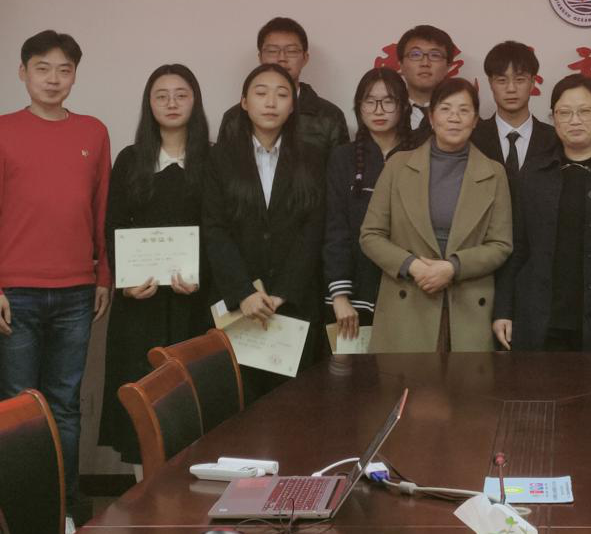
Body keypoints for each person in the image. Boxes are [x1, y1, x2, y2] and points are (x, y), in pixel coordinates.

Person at [0, 30, 111, 523]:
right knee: (15, 409)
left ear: (75, 75)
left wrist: (104, 275)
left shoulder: (93, 132)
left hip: (76, 291)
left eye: (64, 70)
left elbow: (102, 211)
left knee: (65, 406)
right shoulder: (0, 132)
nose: (53, 79)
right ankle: (13, 513)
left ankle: (63, 510)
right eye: (42, 68)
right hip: (14, 294)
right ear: (23, 72)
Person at [99, 64, 210, 467]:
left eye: (181, 94)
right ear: (149, 104)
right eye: (161, 96)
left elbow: (222, 229)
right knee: (141, 402)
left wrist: (201, 276)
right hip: (140, 305)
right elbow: (113, 225)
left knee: (193, 401)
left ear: (195, 101)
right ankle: (144, 495)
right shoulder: (131, 159)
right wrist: (125, 282)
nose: (171, 103)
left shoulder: (214, 159)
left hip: (193, 303)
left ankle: (190, 497)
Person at [493, 75, 591, 352]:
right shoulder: (532, 174)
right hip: (539, 318)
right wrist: (503, 309)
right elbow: (516, 248)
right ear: (554, 118)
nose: (574, 120)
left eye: (584, 111)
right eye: (564, 112)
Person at [360, 78, 513, 352]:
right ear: (431, 118)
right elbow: (371, 235)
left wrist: (453, 268)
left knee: (465, 381)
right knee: (404, 380)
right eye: (445, 109)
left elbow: (501, 245)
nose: (454, 118)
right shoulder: (398, 166)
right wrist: (412, 266)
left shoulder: (494, 173)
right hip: (408, 300)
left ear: (475, 121)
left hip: (467, 307)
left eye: (464, 110)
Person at [204, 63, 325, 401]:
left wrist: (282, 292)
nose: (271, 102)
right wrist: (244, 292)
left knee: (293, 406)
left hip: (294, 305)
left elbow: (313, 229)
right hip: (236, 306)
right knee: (236, 404)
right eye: (261, 93)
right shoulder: (220, 157)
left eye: (282, 94)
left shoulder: (313, 157)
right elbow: (214, 228)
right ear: (244, 102)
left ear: (293, 105)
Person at [324, 68, 416, 340]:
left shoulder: (420, 154)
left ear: (404, 107)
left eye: (388, 101)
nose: (378, 110)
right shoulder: (342, 157)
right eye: (369, 101)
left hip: (411, 289)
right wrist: (340, 296)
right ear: (358, 106)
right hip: (354, 293)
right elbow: (335, 228)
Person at [218, 17, 348, 156]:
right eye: (272, 51)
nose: (281, 58)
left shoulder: (330, 117)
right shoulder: (234, 118)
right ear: (260, 57)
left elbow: (340, 167)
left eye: (291, 51)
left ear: (305, 58)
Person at [472, 41, 557, 179]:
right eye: (502, 80)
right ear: (491, 83)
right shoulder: (473, 138)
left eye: (519, 80)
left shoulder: (554, 139)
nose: (511, 89)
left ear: (532, 83)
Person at [397, 24, 457, 130]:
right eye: (415, 55)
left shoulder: (461, 115)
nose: (425, 63)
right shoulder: (387, 113)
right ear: (401, 64)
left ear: (448, 66)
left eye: (435, 55)